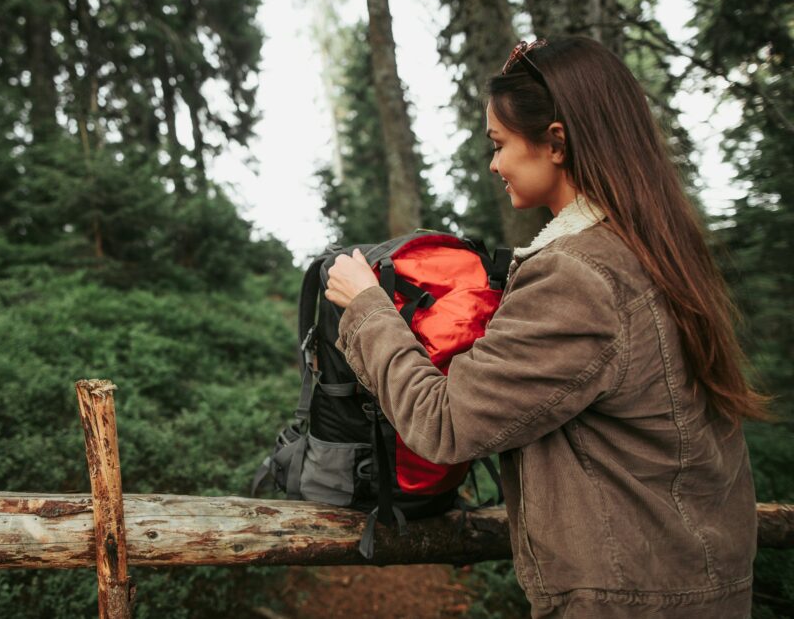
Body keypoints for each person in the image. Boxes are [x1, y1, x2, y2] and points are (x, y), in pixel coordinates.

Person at [324, 36, 768, 618]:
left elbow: (445, 422)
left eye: (501, 143)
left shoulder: (577, 276)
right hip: (687, 583)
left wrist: (367, 307)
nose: (494, 163)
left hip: (631, 602)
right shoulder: (650, 249)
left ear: (555, 142)